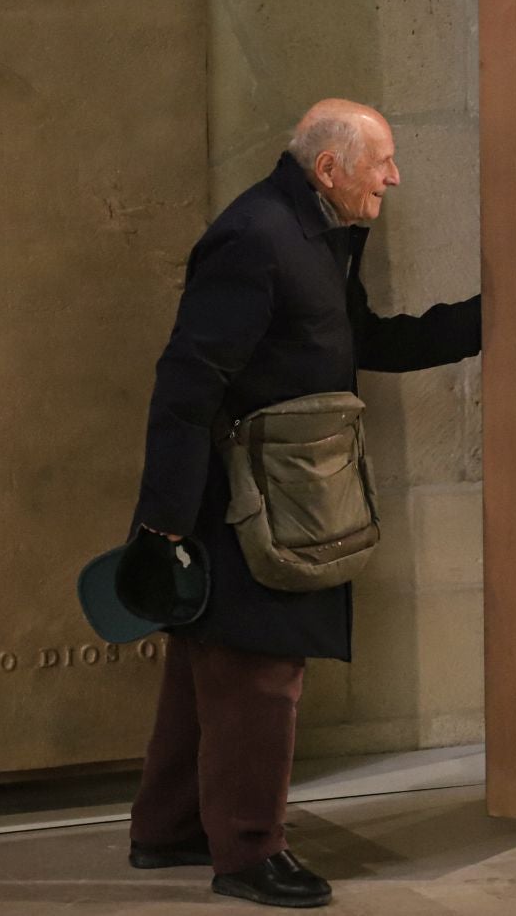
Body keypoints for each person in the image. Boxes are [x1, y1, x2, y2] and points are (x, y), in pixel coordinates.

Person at [126, 99, 481, 908]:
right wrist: (165, 525)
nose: (393, 176)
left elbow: (363, 342)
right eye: (381, 161)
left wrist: (484, 320)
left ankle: (168, 827)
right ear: (330, 168)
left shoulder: (318, 233)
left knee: (204, 665)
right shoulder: (257, 238)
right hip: (248, 503)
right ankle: (249, 851)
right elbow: (186, 384)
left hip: (281, 491)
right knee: (259, 674)